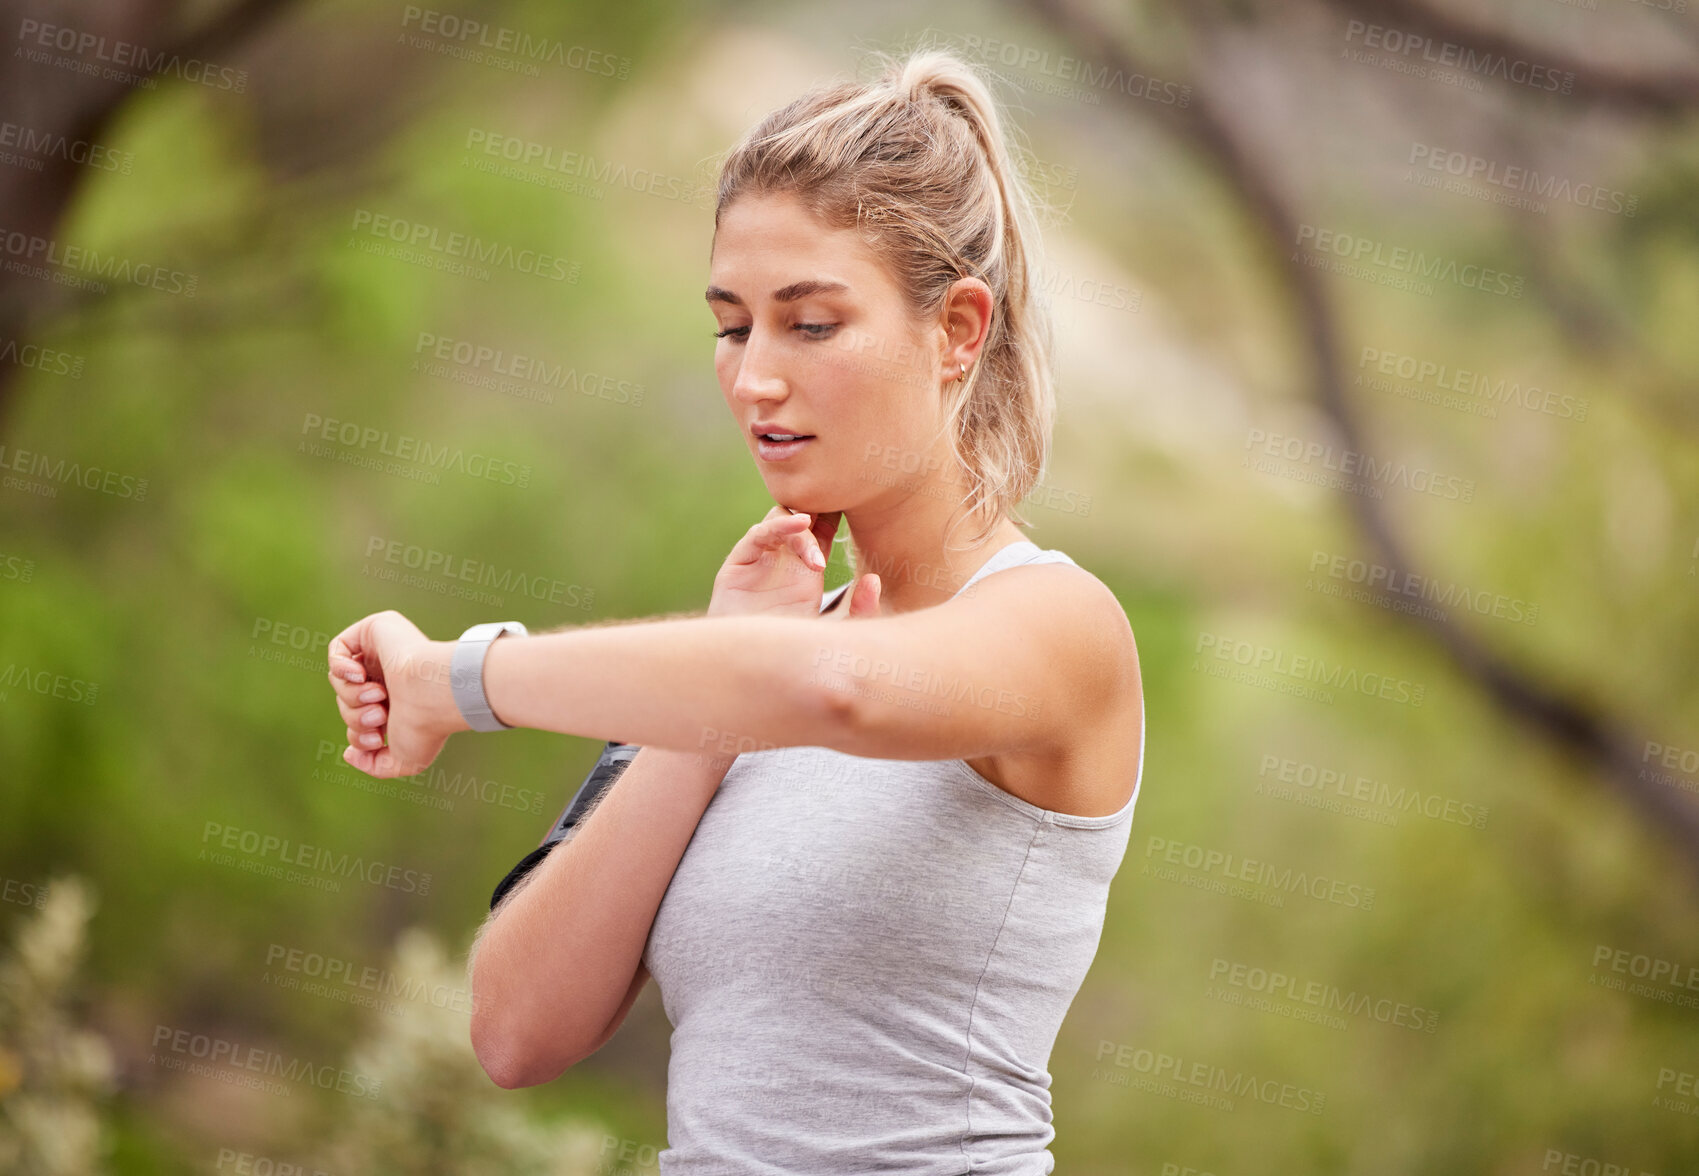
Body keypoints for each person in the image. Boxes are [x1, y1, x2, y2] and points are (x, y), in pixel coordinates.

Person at [325, 45, 1145, 1175]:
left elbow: (836, 693)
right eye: (731, 325)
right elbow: (515, 1032)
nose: (756, 376)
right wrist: (704, 706)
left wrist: (456, 682)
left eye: (810, 325)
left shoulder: (1058, 629)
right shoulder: (753, 665)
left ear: (956, 331)